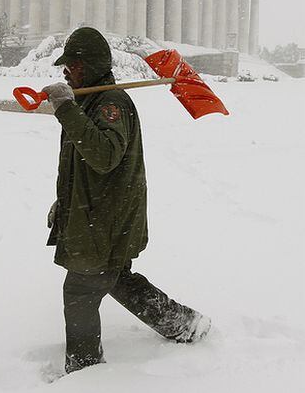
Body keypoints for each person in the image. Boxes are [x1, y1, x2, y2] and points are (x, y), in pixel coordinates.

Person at [42, 27, 211, 374]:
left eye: (72, 65)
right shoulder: (90, 99)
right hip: (96, 215)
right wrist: (64, 202)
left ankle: (86, 372)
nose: (65, 71)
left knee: (80, 292)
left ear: (88, 65)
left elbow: (103, 155)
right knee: (116, 278)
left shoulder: (112, 104)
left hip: (106, 220)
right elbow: (82, 165)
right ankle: (183, 323)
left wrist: (66, 110)